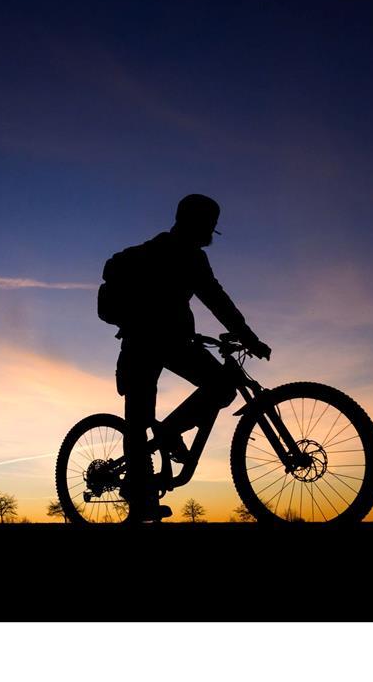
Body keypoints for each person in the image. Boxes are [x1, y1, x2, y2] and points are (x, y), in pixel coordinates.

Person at [112, 194, 270, 523]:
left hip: (175, 342)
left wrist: (248, 337)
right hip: (141, 343)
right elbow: (216, 299)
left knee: (223, 386)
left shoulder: (193, 257)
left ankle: (168, 433)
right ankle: (140, 498)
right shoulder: (163, 250)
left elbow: (216, 298)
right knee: (138, 421)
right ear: (193, 223)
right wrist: (249, 338)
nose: (211, 232)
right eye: (208, 225)